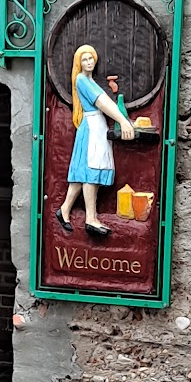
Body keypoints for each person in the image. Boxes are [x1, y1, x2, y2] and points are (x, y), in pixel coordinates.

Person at [55, 44, 134, 238]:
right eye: (84, 59)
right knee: (91, 170)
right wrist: (123, 120)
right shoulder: (82, 80)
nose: (89, 62)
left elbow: (104, 100)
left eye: (91, 58)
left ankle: (64, 210)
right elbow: (103, 102)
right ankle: (91, 218)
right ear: (79, 63)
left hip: (96, 127)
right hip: (92, 128)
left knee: (82, 173)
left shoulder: (89, 80)